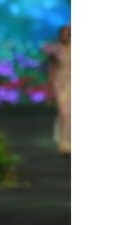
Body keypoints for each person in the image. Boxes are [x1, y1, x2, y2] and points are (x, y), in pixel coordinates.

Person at [47, 24, 71, 154]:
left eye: (69, 33)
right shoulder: (57, 50)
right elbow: (53, 69)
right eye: (64, 33)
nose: (66, 35)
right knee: (64, 113)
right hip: (61, 85)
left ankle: (68, 141)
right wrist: (51, 87)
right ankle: (63, 142)